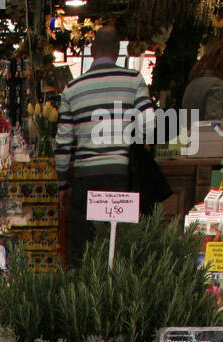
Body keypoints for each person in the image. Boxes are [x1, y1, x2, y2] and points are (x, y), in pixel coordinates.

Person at [54, 26, 154, 266]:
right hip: (121, 177)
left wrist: (63, 184)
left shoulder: (72, 89)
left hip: (85, 178)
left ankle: (80, 295)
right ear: (118, 50)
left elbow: (63, 143)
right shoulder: (133, 80)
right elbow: (149, 125)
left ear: (92, 50)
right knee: (120, 243)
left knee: (81, 246)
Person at [182, 41, 223, 121]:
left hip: (189, 132)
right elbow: (214, 123)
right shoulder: (216, 85)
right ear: (222, 63)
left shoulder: (192, 84)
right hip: (206, 133)